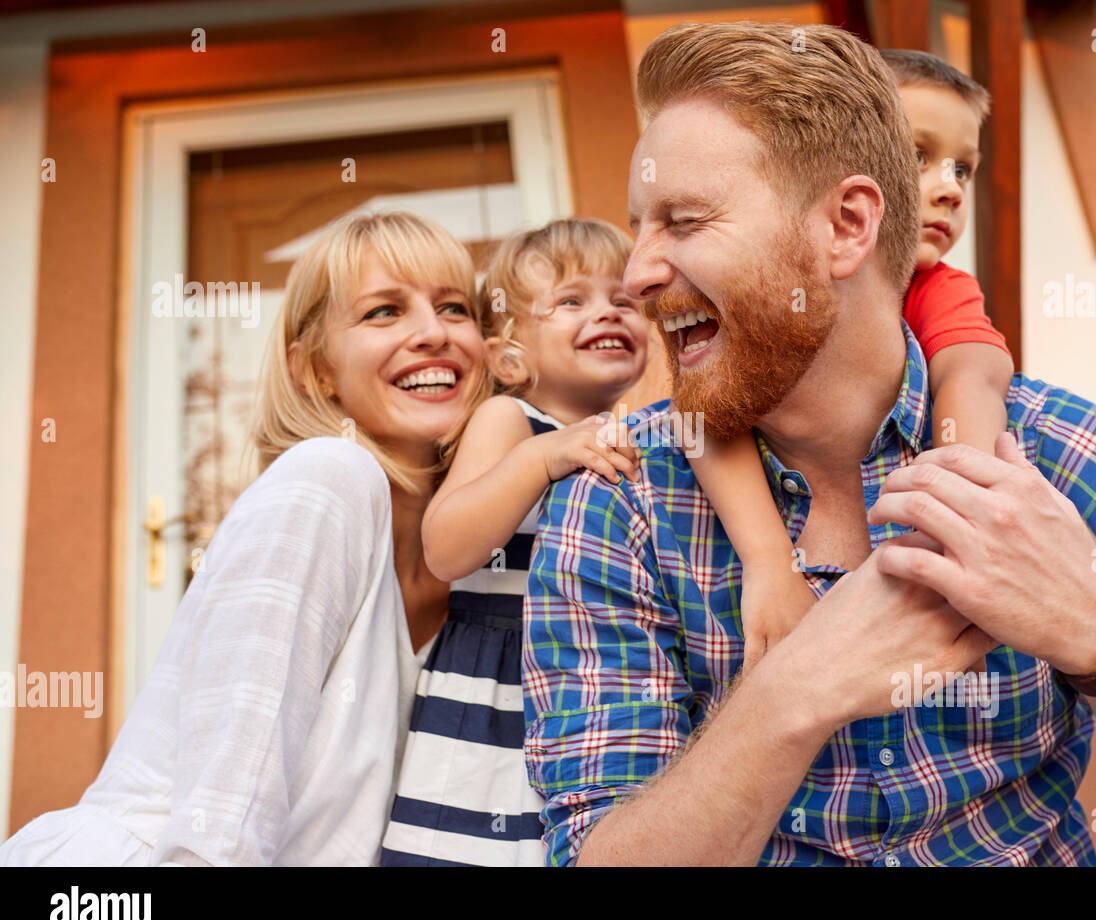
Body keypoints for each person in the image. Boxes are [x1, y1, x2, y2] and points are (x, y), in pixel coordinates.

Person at [522, 21, 1096, 866]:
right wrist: (793, 691)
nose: (634, 273)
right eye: (639, 227)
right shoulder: (616, 498)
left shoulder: (1080, 459)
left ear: (848, 226)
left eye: (683, 220)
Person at [0, 210, 485, 865]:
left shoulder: (479, 554)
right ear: (314, 369)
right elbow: (224, 812)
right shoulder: (328, 478)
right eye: (382, 312)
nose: (433, 334)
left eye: (455, 307)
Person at [691, 48, 1014, 664]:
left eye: (963, 169)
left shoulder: (940, 287)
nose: (949, 188)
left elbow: (972, 373)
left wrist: (956, 523)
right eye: (919, 156)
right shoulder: (753, 285)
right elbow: (707, 416)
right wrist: (767, 564)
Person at [380, 218, 647, 866]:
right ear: (509, 357)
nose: (605, 312)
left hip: (592, 688)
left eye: (623, 299)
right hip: (498, 691)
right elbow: (445, 550)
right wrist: (542, 456)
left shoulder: (640, 434)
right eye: (572, 301)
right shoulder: (512, 421)